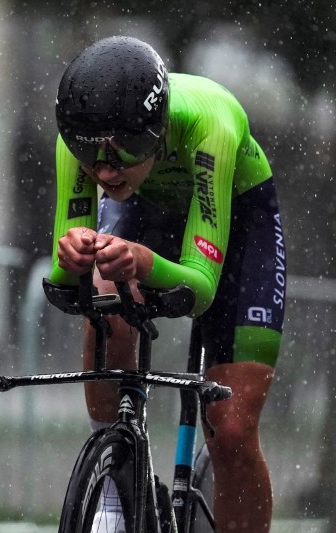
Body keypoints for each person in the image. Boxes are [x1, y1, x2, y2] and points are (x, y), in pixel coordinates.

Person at [49, 35, 286, 532]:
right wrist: (71, 259)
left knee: (232, 430)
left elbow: (200, 286)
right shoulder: (88, 138)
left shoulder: (210, 123)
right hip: (146, 211)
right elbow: (64, 281)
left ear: (156, 133)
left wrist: (142, 261)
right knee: (105, 293)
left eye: (125, 150)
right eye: (89, 154)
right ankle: (113, 498)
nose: (105, 168)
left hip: (237, 222)